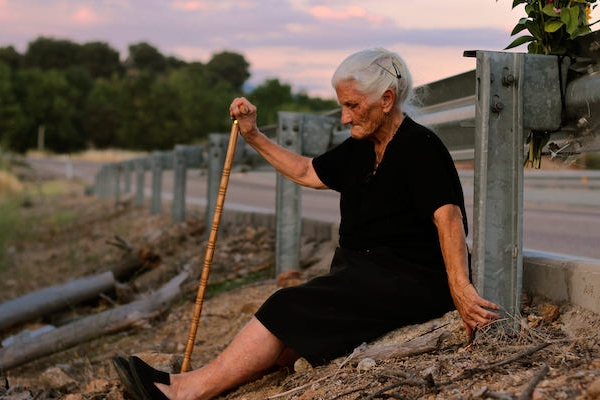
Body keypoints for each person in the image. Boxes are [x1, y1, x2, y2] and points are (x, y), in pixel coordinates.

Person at [113, 47, 501, 400]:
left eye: (352, 105)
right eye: (342, 106)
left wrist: (461, 289)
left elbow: (447, 218)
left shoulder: (420, 146)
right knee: (288, 338)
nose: (346, 117)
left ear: (386, 100)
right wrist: (254, 135)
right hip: (365, 275)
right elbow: (305, 171)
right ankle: (185, 382)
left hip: (408, 280)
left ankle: (182, 392)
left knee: (287, 305)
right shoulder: (359, 147)